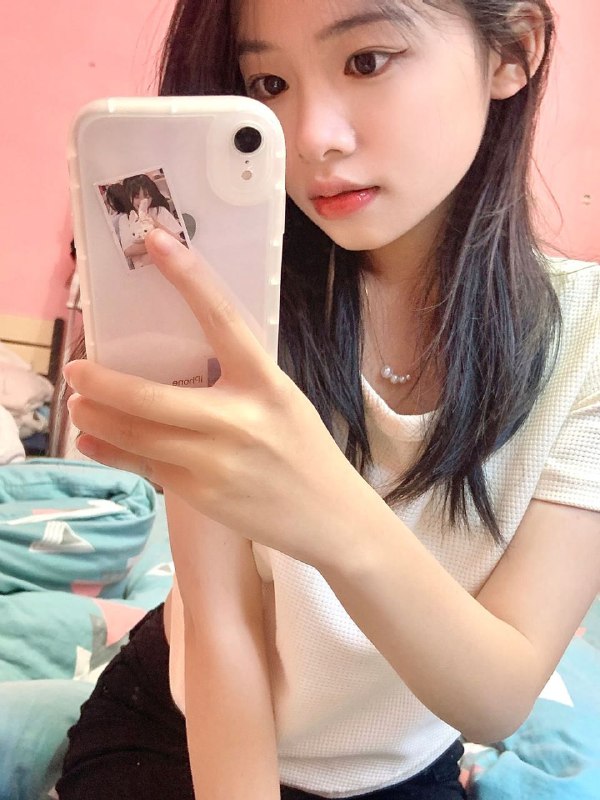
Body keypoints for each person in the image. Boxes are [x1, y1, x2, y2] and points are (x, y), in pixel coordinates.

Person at [57, 1, 600, 798]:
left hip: (400, 766)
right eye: (268, 83)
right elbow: (221, 629)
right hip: (186, 726)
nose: (311, 138)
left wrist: (324, 508)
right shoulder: (233, 298)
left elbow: (496, 699)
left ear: (512, 50)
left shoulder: (585, 341)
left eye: (366, 61)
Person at [119, 173, 185, 268]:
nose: (142, 201)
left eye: (146, 196)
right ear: (129, 197)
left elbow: (177, 240)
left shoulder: (160, 211)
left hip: (168, 264)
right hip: (143, 269)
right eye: (137, 197)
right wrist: (162, 244)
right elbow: (128, 251)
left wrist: (154, 223)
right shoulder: (125, 219)